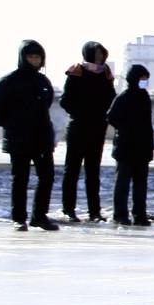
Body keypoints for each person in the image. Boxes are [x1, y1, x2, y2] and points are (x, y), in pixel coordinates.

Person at [0, 40, 60, 231]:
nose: (34, 60)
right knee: (20, 179)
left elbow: (46, 105)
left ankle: (39, 216)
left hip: (41, 137)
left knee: (47, 177)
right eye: (30, 56)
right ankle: (18, 218)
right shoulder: (9, 81)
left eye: (37, 57)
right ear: (23, 57)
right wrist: (13, 125)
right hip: (19, 138)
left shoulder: (43, 81)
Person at [59, 41, 116, 222]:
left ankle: (94, 211)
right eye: (97, 54)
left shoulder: (105, 74)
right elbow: (65, 101)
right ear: (89, 54)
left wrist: (102, 115)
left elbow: (111, 99)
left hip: (97, 128)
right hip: (78, 127)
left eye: (102, 54)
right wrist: (81, 112)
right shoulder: (77, 72)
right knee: (72, 171)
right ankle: (68, 209)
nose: (100, 57)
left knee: (93, 172)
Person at [106, 64, 154, 226]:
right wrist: (127, 128)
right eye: (142, 79)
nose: (144, 82)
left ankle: (139, 214)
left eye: (146, 79)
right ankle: (120, 214)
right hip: (125, 147)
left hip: (142, 148)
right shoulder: (124, 97)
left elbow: (147, 125)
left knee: (141, 185)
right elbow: (111, 117)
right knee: (123, 184)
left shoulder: (145, 97)